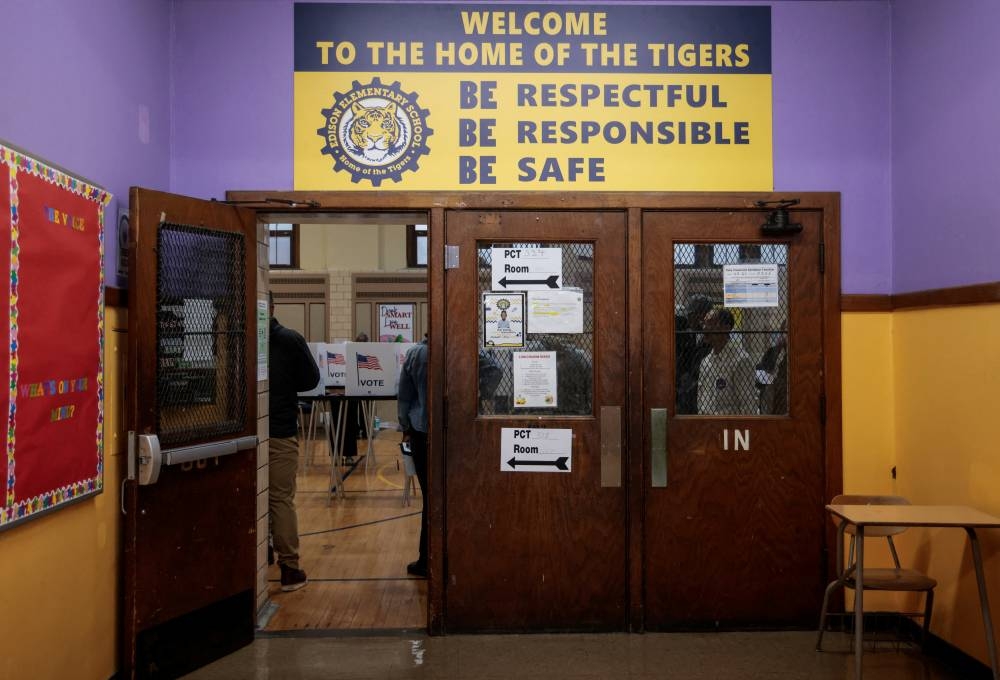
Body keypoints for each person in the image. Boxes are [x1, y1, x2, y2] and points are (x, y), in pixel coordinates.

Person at [268, 292, 320, 592]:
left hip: (246, 431)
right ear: (274, 307)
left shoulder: (239, 336)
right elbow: (311, 380)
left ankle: (261, 554)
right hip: (280, 430)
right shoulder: (290, 339)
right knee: (280, 498)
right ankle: (289, 568)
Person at [398, 334, 429, 577]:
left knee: (430, 498)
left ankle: (426, 559)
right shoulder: (464, 347)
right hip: (455, 433)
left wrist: (405, 427)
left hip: (421, 432)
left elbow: (404, 397)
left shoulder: (415, 354)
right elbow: (492, 372)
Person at [697, 308, 757, 416]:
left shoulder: (740, 361)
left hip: (730, 428)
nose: (705, 328)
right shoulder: (705, 362)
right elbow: (701, 401)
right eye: (704, 323)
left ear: (726, 328)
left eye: (711, 323)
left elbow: (748, 406)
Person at [675, 295, 714, 414]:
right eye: (690, 315)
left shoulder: (708, 337)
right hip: (683, 389)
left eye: (694, 315)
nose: (690, 318)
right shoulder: (682, 332)